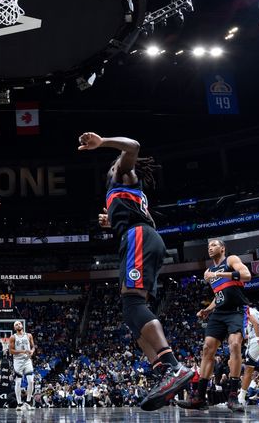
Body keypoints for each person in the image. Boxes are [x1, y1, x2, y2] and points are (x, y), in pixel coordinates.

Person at [78, 132, 191, 411]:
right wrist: (112, 222)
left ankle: (174, 367)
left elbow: (134, 146)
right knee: (132, 314)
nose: (115, 165)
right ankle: (164, 372)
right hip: (142, 236)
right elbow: (138, 215)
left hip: (139, 237)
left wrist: (102, 142)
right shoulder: (122, 193)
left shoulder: (123, 173)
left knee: (133, 303)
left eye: (117, 163)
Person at [177, 239, 251, 412]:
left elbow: (247, 275)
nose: (210, 248)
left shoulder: (230, 260)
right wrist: (208, 310)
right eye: (208, 246)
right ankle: (199, 398)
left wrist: (220, 274)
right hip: (219, 313)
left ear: (222, 248)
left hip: (236, 310)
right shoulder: (208, 271)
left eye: (214, 245)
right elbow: (220, 295)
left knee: (234, 345)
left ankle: (233, 396)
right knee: (207, 348)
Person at [9, 321, 36, 410]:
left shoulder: (29, 335)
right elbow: (11, 351)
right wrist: (23, 351)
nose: (18, 325)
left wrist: (32, 351)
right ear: (14, 328)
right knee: (18, 382)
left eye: (19, 324)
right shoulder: (13, 337)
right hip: (18, 361)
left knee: (31, 381)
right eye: (16, 325)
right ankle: (19, 404)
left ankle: (28, 402)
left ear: (22, 325)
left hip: (27, 360)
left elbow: (33, 347)